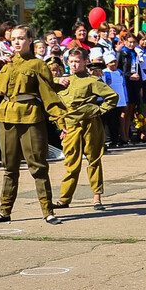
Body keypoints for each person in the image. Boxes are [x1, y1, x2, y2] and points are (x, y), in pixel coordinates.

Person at [0, 25, 68, 225]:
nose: (17, 42)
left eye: (21, 38)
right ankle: (4, 211)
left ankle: (48, 211)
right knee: (9, 167)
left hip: (30, 117)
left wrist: (61, 121)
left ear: (30, 40)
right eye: (14, 39)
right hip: (6, 116)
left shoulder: (37, 64)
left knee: (38, 167)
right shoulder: (5, 62)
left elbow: (48, 95)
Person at [52, 47, 118, 211]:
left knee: (94, 159)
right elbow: (46, 90)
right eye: (71, 62)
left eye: (77, 61)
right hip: (71, 124)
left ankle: (97, 197)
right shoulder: (63, 81)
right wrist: (57, 80)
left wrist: (99, 110)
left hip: (90, 123)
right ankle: (64, 198)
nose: (74, 65)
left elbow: (112, 97)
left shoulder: (92, 81)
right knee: (71, 162)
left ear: (85, 62)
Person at [101, 51, 128, 146]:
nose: (113, 64)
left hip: (120, 99)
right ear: (106, 64)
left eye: (115, 62)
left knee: (117, 120)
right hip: (110, 100)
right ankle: (109, 139)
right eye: (111, 62)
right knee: (110, 120)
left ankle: (116, 139)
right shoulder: (105, 73)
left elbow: (123, 85)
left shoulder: (120, 72)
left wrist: (125, 98)